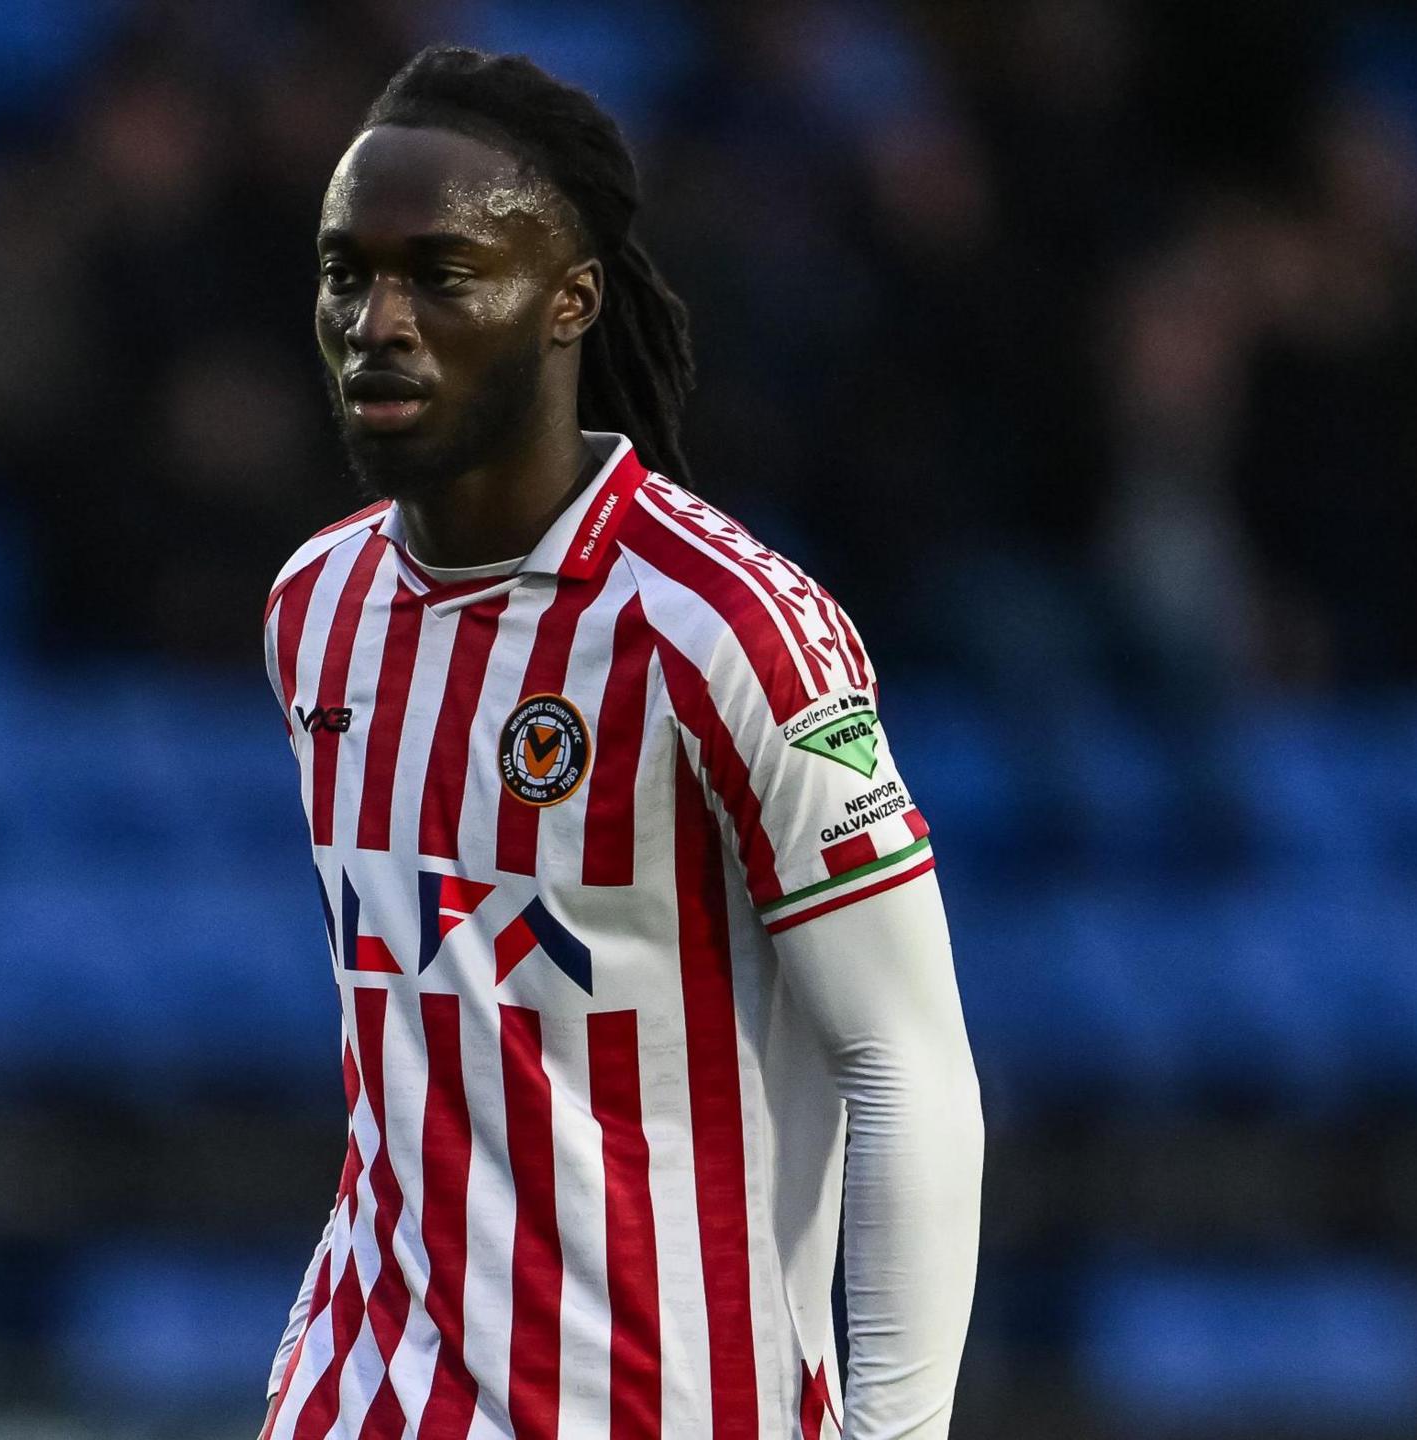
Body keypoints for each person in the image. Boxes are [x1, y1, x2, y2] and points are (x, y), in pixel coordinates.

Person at [260, 46, 981, 1440]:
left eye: (443, 275)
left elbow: (906, 1069)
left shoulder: (730, 630)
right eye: (348, 273)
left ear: (567, 301)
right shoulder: (318, 611)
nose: (378, 320)